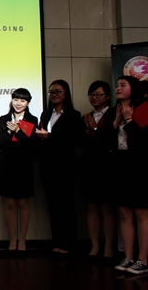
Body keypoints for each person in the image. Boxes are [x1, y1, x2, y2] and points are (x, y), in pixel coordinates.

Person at [35, 79, 82, 256]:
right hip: (48, 166)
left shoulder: (74, 115)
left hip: (65, 166)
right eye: (51, 92)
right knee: (53, 206)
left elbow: (73, 140)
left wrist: (49, 137)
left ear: (66, 93)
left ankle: (69, 244)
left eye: (58, 92)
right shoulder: (46, 114)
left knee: (66, 206)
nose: (54, 95)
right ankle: (57, 242)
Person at [0, 88, 38, 257]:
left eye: (23, 100)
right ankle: (12, 240)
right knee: (10, 203)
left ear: (28, 103)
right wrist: (10, 131)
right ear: (11, 100)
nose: (19, 103)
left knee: (23, 203)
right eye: (16, 99)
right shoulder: (3, 119)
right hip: (7, 165)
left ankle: (23, 240)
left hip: (24, 165)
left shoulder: (33, 120)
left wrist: (18, 131)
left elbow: (31, 144)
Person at [112, 76, 148, 275]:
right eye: (117, 85)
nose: (118, 88)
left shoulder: (143, 109)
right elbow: (108, 142)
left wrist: (128, 120)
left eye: (122, 85)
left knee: (141, 213)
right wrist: (117, 122)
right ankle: (128, 257)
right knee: (124, 212)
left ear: (133, 88)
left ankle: (143, 259)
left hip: (140, 166)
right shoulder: (116, 110)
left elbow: (143, 141)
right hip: (121, 165)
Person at [79, 80, 116, 261]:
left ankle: (109, 246)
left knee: (107, 207)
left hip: (107, 166)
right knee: (91, 206)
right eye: (91, 95)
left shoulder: (114, 114)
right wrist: (87, 132)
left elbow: (110, 140)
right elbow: (80, 142)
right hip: (89, 165)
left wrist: (94, 128)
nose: (94, 98)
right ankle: (94, 245)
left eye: (98, 94)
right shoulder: (86, 116)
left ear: (107, 96)